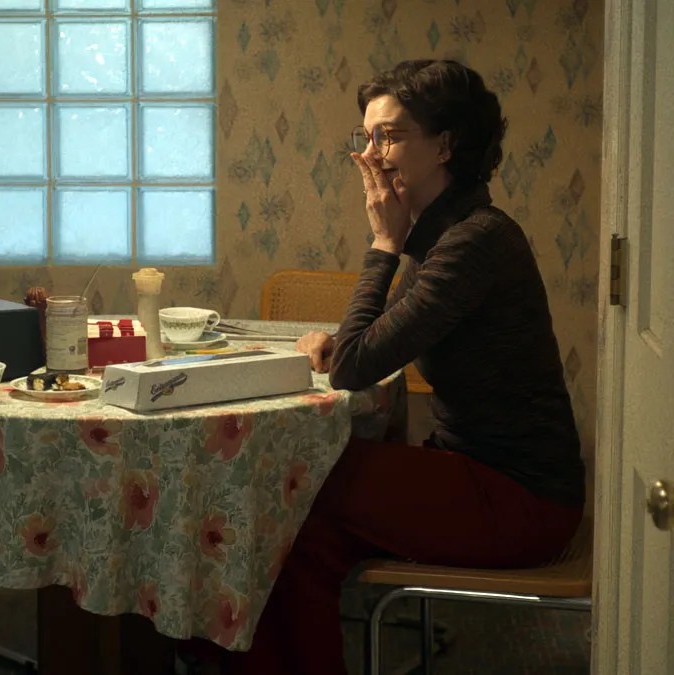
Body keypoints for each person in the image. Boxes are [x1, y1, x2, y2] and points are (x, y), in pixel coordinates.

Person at [230, 60, 586, 674]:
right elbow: (377, 342)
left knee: (295, 485)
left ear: (445, 144)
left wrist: (384, 242)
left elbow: (354, 367)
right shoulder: (447, 233)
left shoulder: (473, 241)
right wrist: (347, 338)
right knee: (303, 522)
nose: (370, 154)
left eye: (389, 136)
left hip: (520, 499)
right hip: (480, 472)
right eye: (366, 137)